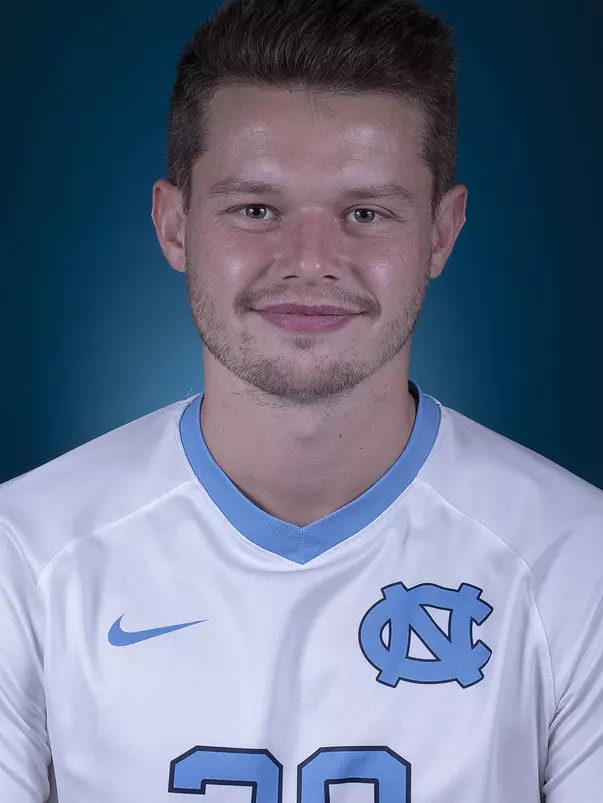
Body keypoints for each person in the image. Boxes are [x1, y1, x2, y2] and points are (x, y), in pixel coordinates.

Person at [1, 0, 601, 800]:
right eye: (256, 209)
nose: (311, 260)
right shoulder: (27, 555)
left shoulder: (574, 560)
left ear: (439, 233)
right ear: (174, 225)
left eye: (365, 213)